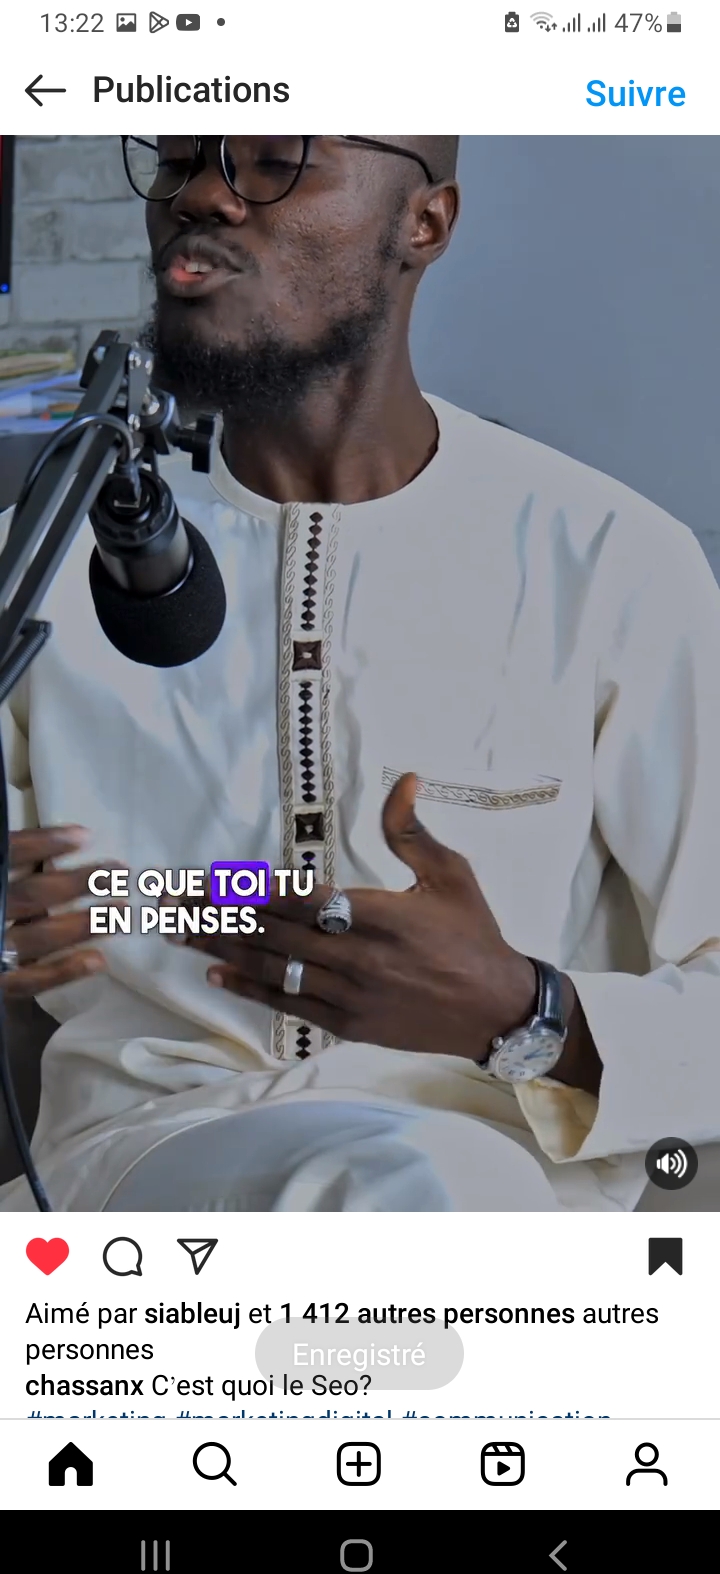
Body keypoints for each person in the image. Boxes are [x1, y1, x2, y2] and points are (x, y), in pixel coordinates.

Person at [0, 134, 719, 1212]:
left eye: (277, 162)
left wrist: (526, 1012)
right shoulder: (42, 560)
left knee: (425, 1183)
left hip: (502, 1192)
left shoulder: (611, 562)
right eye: (182, 161)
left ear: (424, 222)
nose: (205, 196)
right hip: (138, 1169)